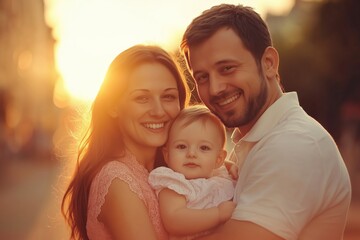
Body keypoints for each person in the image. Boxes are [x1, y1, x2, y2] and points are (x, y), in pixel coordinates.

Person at [180, 3, 351, 240]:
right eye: (202, 77)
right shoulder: (254, 144)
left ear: (269, 63)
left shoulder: (295, 144)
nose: (216, 88)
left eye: (227, 68)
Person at [61, 44, 190, 240]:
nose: (158, 110)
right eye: (142, 98)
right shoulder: (117, 180)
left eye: (168, 96)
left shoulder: (169, 170)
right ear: (113, 106)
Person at [149, 105, 236, 239]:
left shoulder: (220, 175)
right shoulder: (175, 184)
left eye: (204, 148)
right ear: (167, 155)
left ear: (219, 158)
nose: (191, 154)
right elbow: (174, 220)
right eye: (182, 146)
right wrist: (218, 214)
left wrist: (232, 167)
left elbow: (223, 167)